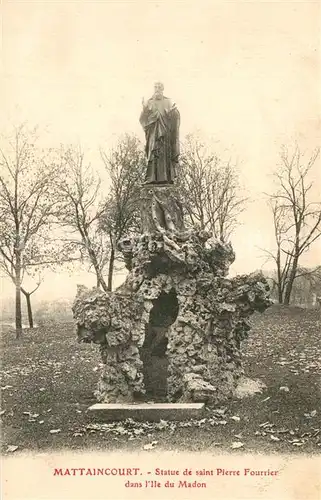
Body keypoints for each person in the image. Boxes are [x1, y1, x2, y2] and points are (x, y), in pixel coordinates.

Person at [139, 82, 180, 184]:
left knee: (164, 155)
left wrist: (173, 113)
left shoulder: (168, 101)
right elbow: (143, 119)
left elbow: (174, 117)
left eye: (159, 87)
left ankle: (166, 177)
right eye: (155, 87)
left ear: (162, 89)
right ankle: (151, 178)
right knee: (152, 155)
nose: (157, 89)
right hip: (153, 134)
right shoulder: (149, 102)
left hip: (165, 134)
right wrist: (144, 110)